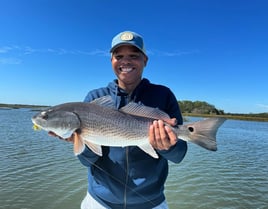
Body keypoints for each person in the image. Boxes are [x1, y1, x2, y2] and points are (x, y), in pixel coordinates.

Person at [52, 31, 187, 209]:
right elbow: (86, 161)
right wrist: (80, 140)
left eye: (133, 55)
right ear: (111, 61)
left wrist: (168, 146)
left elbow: (179, 155)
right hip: (100, 202)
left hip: (151, 203)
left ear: (145, 60)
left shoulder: (163, 95)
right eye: (119, 56)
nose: (126, 61)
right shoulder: (95, 97)